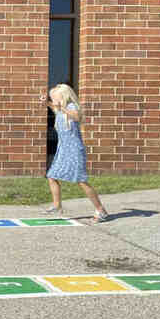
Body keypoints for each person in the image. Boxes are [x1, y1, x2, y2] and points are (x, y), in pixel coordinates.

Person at [42, 83, 109, 223]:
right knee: (52, 176)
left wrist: (62, 108)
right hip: (63, 150)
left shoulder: (71, 108)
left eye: (54, 98)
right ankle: (57, 205)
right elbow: (55, 108)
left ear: (63, 98)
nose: (53, 100)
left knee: (80, 181)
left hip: (74, 150)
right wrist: (46, 103)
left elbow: (77, 116)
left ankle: (101, 210)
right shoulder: (59, 110)